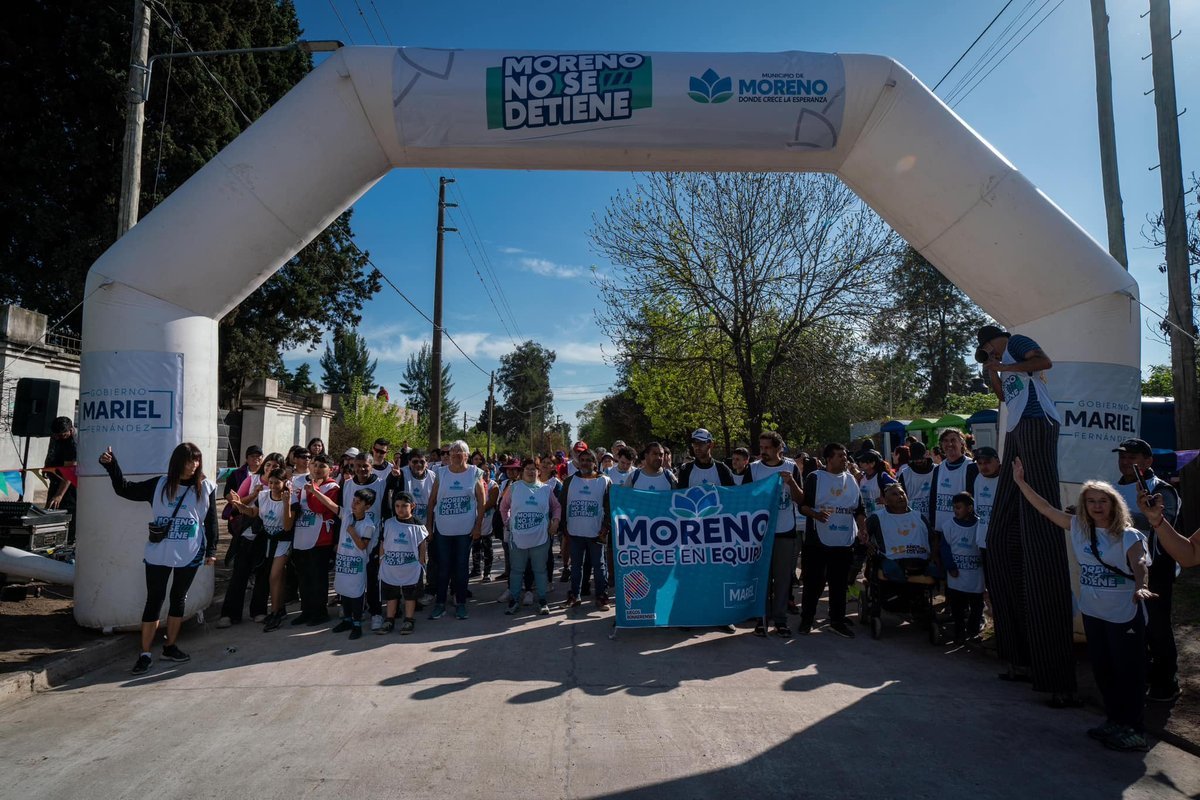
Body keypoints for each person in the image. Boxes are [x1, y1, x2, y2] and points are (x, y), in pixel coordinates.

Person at [1012, 458, 1155, 751]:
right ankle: (1115, 721)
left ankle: (1135, 729)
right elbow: (1045, 508)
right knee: (1103, 671)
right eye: (1091, 501)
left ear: (1114, 504)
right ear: (1084, 505)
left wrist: (1142, 586)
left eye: (1103, 501)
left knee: (1128, 672)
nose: (1097, 506)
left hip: (1123, 615)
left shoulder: (1128, 534)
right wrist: (1020, 482)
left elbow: (1140, 562)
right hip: (1093, 612)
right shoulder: (1078, 527)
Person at [976, 324, 1076, 704]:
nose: (990, 354)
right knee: (999, 540)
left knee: (1040, 535)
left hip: (1037, 423)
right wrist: (993, 373)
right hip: (1016, 430)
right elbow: (1004, 398)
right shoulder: (1002, 366)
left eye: (987, 349)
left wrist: (1002, 365)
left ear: (993, 340)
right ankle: (1018, 656)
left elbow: (1044, 361)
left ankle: (1055, 675)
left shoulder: (1016, 343)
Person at [98, 442, 217, 675]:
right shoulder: (160, 484)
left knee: (178, 598)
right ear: (178, 462)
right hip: (159, 552)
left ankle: (170, 647)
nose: (194, 464)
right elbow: (124, 489)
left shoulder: (206, 488)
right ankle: (145, 653)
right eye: (190, 460)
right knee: (154, 599)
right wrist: (112, 466)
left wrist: (211, 551)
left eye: (197, 460)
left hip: (190, 552)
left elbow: (211, 522)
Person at [1112, 438, 1182, 703]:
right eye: (1122, 457)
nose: (1125, 462)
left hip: (1156, 568)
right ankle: (1141, 676)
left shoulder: (1162, 489)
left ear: (1148, 461)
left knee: (1157, 626)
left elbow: (1163, 522)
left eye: (1132, 457)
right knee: (1131, 626)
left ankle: (1167, 682)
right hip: (1121, 568)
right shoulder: (1113, 488)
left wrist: (1116, 517)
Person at [799, 443, 867, 638]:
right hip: (818, 541)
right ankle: (807, 619)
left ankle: (837, 620)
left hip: (844, 540)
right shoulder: (815, 478)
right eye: (839, 456)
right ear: (828, 459)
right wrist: (816, 515)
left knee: (839, 583)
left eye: (845, 455)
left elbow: (859, 510)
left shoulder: (851, 480)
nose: (844, 459)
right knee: (814, 583)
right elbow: (803, 506)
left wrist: (862, 529)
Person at [748, 431, 804, 637]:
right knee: (762, 577)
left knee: (782, 579)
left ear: (779, 448)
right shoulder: (753, 469)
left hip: (785, 530)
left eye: (768, 448)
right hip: (760, 533)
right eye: (761, 447)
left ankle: (781, 620)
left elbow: (801, 499)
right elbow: (745, 498)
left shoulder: (791, 467)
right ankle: (761, 619)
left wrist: (791, 483)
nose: (763, 451)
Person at [228, 466, 293, 632]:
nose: (273, 486)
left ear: (285, 483)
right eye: (270, 482)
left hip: (283, 541)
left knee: (274, 576)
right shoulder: (263, 496)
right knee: (276, 577)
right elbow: (253, 512)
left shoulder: (291, 499)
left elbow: (287, 526)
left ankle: (275, 612)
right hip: (267, 540)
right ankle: (280, 609)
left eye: (277, 483)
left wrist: (287, 504)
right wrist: (239, 505)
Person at [218, 450, 279, 627]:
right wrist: (255, 494)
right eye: (268, 464)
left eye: (275, 466)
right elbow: (237, 505)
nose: (270, 468)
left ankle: (259, 611)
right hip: (247, 532)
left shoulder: (284, 484)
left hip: (269, 534)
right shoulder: (252, 480)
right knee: (239, 573)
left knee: (262, 575)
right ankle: (229, 614)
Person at [425, 440, 485, 620]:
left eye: (460, 452)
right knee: (443, 567)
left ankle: (461, 603)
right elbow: (432, 501)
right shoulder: (441, 473)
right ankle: (440, 604)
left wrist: (478, 526)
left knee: (461, 567)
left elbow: (481, 503)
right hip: (443, 530)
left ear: (467, 455)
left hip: (465, 531)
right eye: (453, 452)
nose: (456, 455)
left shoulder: (475, 473)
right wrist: (429, 526)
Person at [500, 458, 561, 616]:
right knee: (516, 570)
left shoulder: (546, 489)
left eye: (533, 469)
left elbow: (556, 507)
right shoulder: (514, 487)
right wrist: (507, 521)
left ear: (538, 471)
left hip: (540, 538)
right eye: (527, 468)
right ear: (522, 471)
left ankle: (542, 600)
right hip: (518, 538)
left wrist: (555, 522)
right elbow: (503, 506)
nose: (530, 471)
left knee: (540, 570)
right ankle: (514, 600)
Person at [341, 453, 390, 631]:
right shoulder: (347, 484)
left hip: (372, 539)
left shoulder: (381, 484)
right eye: (358, 465)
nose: (361, 469)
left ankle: (376, 613)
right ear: (353, 466)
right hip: (350, 540)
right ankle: (353, 613)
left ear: (371, 466)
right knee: (351, 576)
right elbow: (342, 511)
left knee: (372, 578)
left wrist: (384, 540)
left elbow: (387, 512)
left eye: (365, 466)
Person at [290, 452, 340, 627]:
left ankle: (320, 612)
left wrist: (314, 490)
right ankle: (306, 611)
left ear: (330, 469)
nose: (317, 469)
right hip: (301, 536)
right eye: (315, 465)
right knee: (304, 577)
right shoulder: (303, 483)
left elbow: (318, 507)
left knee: (318, 578)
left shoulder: (333, 488)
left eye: (322, 466)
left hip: (320, 539)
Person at [561, 448, 612, 610]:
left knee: (599, 566)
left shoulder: (605, 481)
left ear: (595, 463)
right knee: (576, 566)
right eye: (582, 460)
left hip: (596, 532)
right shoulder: (570, 481)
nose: (584, 463)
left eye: (588, 460)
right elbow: (563, 504)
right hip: (574, 532)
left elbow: (610, 507)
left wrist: (606, 527)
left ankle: (601, 596)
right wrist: (564, 528)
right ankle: (574, 596)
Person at [377, 492, 428, 635]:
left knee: (410, 594)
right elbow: (383, 542)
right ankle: (389, 619)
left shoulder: (418, 525)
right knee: (391, 594)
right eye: (397, 506)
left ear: (412, 506)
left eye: (404, 506)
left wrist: (421, 562)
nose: (400, 509)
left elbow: (422, 544)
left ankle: (409, 620)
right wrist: (381, 559)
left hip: (410, 567)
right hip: (390, 566)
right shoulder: (388, 523)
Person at [332, 488, 378, 640]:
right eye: (354, 501)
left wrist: (352, 532)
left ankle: (357, 623)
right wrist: (314, 491)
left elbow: (362, 546)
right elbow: (330, 505)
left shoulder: (369, 525)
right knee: (344, 591)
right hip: (343, 561)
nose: (354, 504)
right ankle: (347, 620)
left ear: (367, 506)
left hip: (357, 565)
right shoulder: (347, 515)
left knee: (356, 593)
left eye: (358, 503)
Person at [939, 492, 985, 643]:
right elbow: (945, 548)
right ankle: (959, 631)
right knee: (957, 606)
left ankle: (973, 630)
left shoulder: (980, 525)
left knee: (977, 605)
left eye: (958, 507)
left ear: (970, 508)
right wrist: (950, 566)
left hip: (975, 576)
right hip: (956, 576)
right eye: (954, 507)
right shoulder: (949, 526)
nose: (955, 511)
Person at [926, 429, 976, 542]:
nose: (949, 444)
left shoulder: (971, 467)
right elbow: (933, 498)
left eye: (953, 440)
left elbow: (975, 499)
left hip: (965, 530)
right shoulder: (938, 469)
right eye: (945, 441)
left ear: (961, 443)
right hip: (942, 530)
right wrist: (932, 523)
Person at [44, 416, 78, 543]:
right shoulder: (56, 436)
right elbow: (51, 450)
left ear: (70, 430)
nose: (58, 437)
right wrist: (47, 466)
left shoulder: (73, 443)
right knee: (50, 510)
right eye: (56, 435)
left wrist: (59, 495)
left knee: (66, 513)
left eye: (62, 435)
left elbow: (69, 472)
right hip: (56, 478)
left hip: (69, 485)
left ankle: (67, 542)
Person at [970, 446, 1002, 551]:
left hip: (1002, 541)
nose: (983, 466)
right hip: (983, 540)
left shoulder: (1006, 479)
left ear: (997, 460)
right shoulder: (978, 478)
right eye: (980, 463)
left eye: (987, 462)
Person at [855, 449, 895, 516]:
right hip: (867, 517)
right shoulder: (861, 477)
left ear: (872, 463)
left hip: (881, 517)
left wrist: (887, 501)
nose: (860, 463)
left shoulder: (882, 476)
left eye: (863, 461)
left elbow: (898, 489)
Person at [900, 442, 934, 520]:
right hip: (913, 519)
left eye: (921, 458)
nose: (918, 461)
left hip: (934, 518)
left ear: (926, 454)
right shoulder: (905, 474)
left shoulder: (937, 470)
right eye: (915, 459)